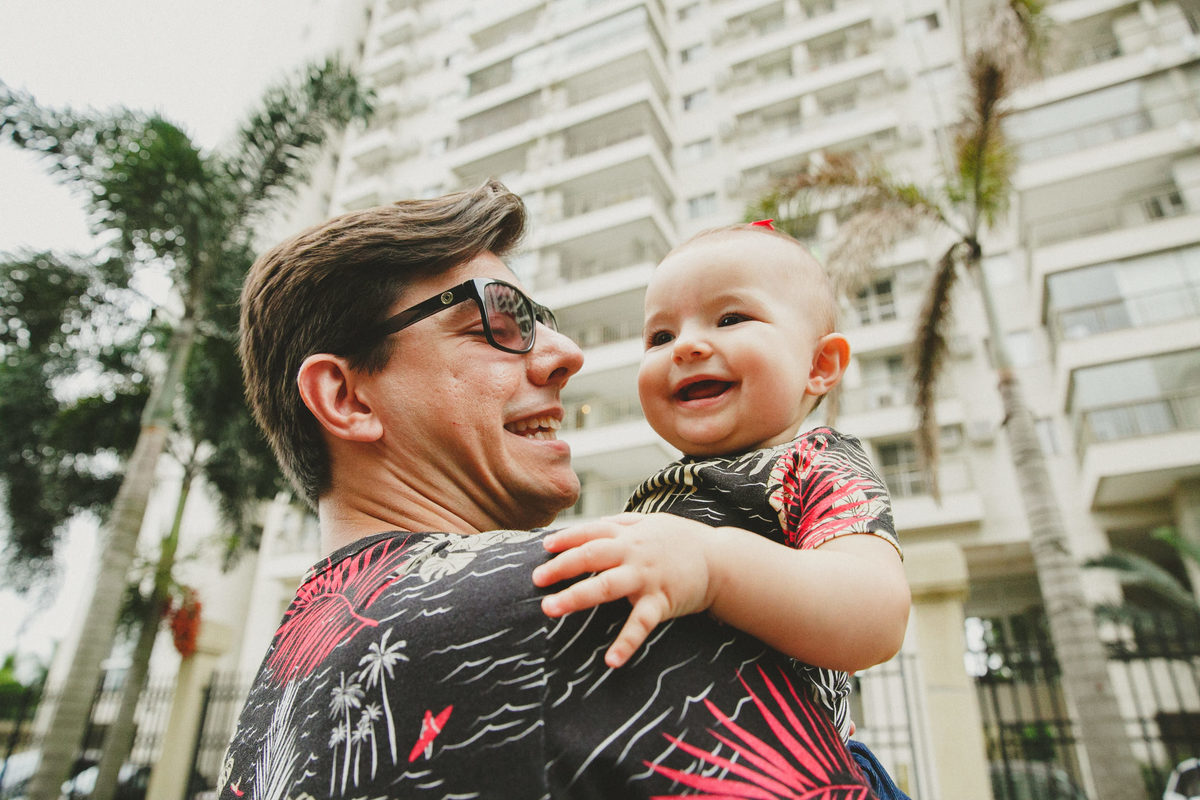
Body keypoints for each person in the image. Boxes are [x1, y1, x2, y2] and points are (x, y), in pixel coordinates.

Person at [220, 183, 879, 798]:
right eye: (497, 322)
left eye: (542, 320)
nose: (567, 353)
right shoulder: (587, 594)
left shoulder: (273, 702)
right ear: (347, 397)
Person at [532, 221, 912, 797]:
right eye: (659, 337)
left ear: (820, 366)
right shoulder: (660, 493)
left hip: (800, 775)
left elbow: (877, 613)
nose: (684, 346)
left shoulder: (813, 462)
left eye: (730, 319)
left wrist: (711, 567)